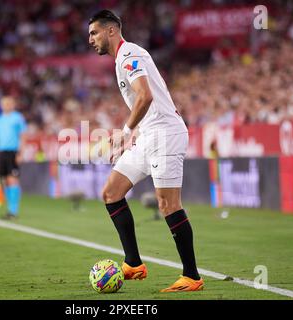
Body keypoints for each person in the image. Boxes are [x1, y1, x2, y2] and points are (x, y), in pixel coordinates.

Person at [88, 10, 203, 292]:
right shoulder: (123, 59)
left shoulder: (129, 55)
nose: (90, 39)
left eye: (94, 33)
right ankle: (133, 263)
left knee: (168, 205)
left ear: (111, 31)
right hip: (149, 135)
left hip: (166, 135)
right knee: (111, 193)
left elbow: (146, 95)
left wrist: (125, 133)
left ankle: (192, 276)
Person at [0, 96, 27, 219]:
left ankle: (13, 211)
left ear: (13, 104)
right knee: (5, 181)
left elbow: (23, 136)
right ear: (1, 105)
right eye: (5, 103)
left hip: (13, 152)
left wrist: (21, 153)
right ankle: (9, 209)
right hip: (1, 153)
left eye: (9, 103)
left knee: (13, 180)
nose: (7, 105)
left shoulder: (18, 118)